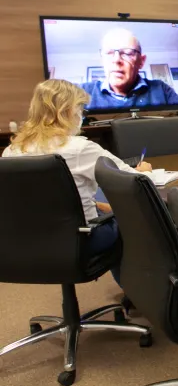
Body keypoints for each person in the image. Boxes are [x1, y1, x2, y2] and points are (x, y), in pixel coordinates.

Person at [2, 80, 152, 285]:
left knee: (105, 208)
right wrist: (144, 170)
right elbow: (135, 181)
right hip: (81, 241)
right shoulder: (80, 148)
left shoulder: (11, 151)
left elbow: (42, 202)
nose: (82, 115)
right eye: (80, 108)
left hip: (25, 243)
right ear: (66, 111)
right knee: (132, 221)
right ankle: (137, 292)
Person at [81, 28, 178, 109]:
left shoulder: (161, 89)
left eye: (127, 53)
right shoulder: (81, 92)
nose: (116, 60)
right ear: (102, 60)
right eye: (109, 53)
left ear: (141, 62)